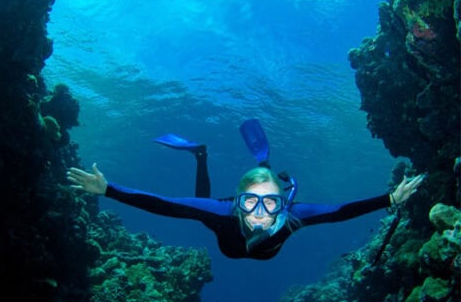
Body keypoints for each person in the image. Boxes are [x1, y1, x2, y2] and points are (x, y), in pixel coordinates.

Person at [66, 119, 425, 260]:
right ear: (237, 202)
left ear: (283, 206)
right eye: (250, 202)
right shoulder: (224, 212)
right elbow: (165, 205)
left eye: (270, 204)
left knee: (261, 182)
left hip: (251, 220)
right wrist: (109, 190)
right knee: (200, 206)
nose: (258, 213)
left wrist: (391, 199)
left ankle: (264, 169)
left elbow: (339, 211)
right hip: (218, 216)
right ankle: (201, 155)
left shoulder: (293, 216)